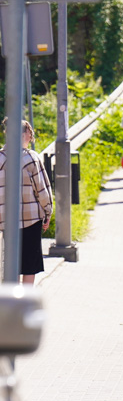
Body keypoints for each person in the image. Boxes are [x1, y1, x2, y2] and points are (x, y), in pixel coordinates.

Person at [0, 119, 52, 285]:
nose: (31, 136)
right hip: (31, 219)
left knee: (12, 263)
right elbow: (42, 190)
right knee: (30, 264)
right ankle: (26, 301)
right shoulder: (31, 158)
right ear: (23, 135)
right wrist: (48, 212)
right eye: (30, 132)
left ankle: (12, 301)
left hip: (7, 220)